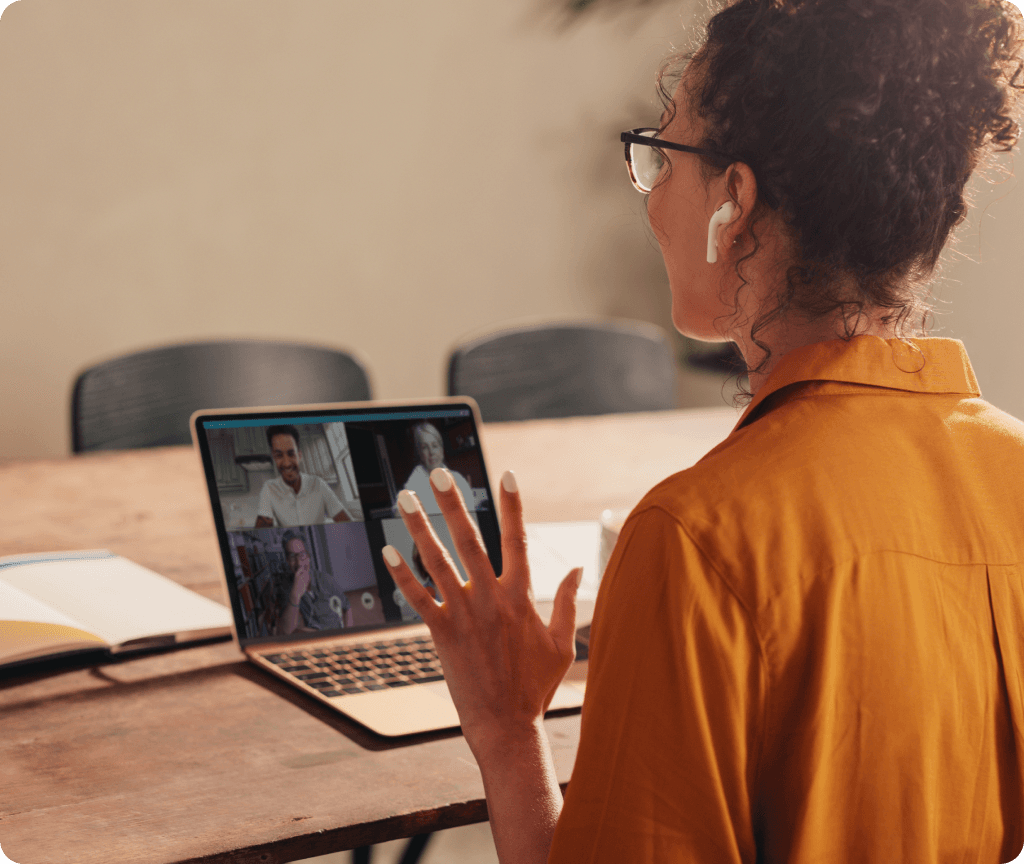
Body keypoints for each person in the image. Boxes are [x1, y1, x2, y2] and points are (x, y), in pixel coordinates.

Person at [379, 0, 1024, 862]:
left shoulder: (697, 540)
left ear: (737, 205)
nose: (649, 203)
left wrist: (505, 732)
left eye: (666, 157)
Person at [254, 425, 353, 527]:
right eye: (279, 455)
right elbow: (262, 529)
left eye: (291, 454)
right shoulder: (269, 488)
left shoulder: (318, 484)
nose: (287, 463)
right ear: (274, 457)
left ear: (299, 455)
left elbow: (348, 525)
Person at [274, 529, 353, 635]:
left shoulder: (325, 580)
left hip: (335, 633)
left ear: (308, 557)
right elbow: (285, 632)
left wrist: (348, 634)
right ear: (287, 561)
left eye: (302, 555)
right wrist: (295, 597)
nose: (299, 563)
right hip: (315, 635)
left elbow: (347, 607)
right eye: (292, 556)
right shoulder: (286, 586)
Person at [401, 421, 474, 514]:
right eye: (425, 447)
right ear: (420, 453)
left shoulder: (457, 478)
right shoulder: (416, 480)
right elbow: (398, 511)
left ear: (441, 449)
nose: (431, 452)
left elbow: (471, 510)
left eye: (435, 446)